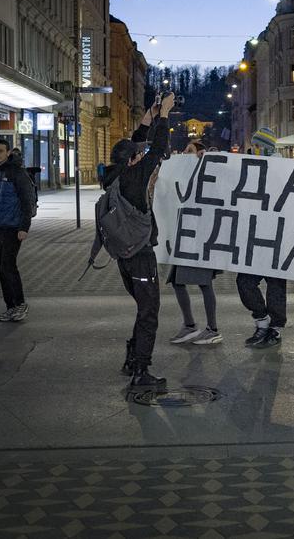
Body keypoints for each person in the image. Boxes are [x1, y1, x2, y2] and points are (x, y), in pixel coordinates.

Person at [107, 96, 174, 390]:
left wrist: (149, 116)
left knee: (142, 307)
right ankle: (141, 372)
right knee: (149, 311)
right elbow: (158, 148)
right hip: (141, 253)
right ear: (134, 159)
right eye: (137, 153)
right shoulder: (137, 175)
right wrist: (165, 116)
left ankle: (132, 359)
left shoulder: (114, 173)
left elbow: (138, 144)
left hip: (124, 254)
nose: (140, 154)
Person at [237, 126, 287, 350]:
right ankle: (263, 321)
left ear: (266, 147)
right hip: (255, 235)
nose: (253, 149)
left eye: (258, 145)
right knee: (244, 281)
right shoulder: (251, 167)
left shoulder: (285, 168)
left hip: (277, 236)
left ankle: (274, 329)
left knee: (275, 285)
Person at [167, 141, 222, 345]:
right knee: (177, 281)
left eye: (189, 151)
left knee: (204, 283)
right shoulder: (184, 174)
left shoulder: (208, 173)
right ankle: (190, 326)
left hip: (202, 237)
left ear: (200, 153)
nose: (184, 153)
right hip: (186, 236)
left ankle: (212, 329)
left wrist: (207, 161)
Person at [0, 138, 38, 323]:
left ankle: (20, 304)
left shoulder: (17, 173)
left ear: (8, 153)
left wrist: (24, 227)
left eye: (0, 150)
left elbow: (27, 201)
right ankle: (10, 307)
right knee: (0, 269)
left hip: (13, 228)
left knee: (8, 266)